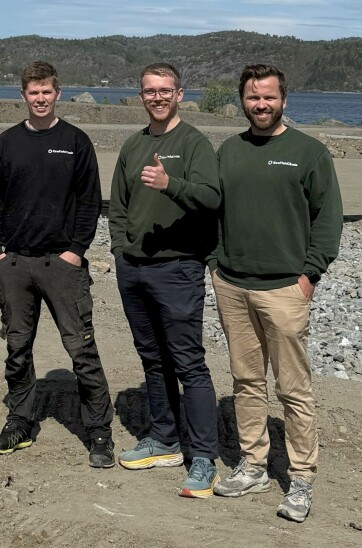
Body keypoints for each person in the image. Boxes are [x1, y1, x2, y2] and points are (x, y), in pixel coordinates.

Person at [210, 64, 343, 522]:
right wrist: (215, 264)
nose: (260, 105)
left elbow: (328, 221)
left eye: (268, 97)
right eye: (252, 97)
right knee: (247, 381)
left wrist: (309, 276)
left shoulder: (309, 152)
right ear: (242, 101)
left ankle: (302, 478)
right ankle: (253, 465)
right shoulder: (229, 150)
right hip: (232, 285)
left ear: (284, 100)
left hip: (286, 289)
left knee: (293, 388)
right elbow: (212, 210)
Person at [0, 61, 115, 468]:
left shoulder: (75, 141)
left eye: (47, 92)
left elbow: (91, 202)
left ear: (58, 93)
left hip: (62, 263)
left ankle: (99, 431)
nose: (40, 99)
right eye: (33, 92)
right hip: (16, 263)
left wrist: (76, 249)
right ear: (22, 95)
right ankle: (20, 421)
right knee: (17, 348)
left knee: (81, 349)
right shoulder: (6, 143)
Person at [108, 63, 221, 498]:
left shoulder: (193, 142)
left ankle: (204, 457)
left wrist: (171, 184)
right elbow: (116, 206)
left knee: (188, 363)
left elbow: (211, 199)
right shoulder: (133, 146)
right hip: (133, 269)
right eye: (149, 91)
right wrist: (120, 249)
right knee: (152, 359)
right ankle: (164, 439)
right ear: (141, 95)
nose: (157, 97)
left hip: (178, 268)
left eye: (164, 90)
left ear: (179, 94)